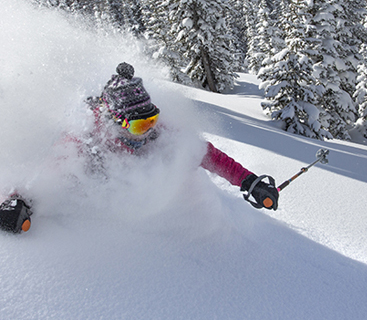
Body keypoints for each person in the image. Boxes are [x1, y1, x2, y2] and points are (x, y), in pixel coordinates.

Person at [73, 62, 280, 211]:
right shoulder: (90, 137)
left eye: (152, 120)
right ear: (116, 122)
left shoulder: (160, 132)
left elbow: (207, 155)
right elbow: (59, 166)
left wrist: (250, 182)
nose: (148, 130)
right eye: (139, 125)